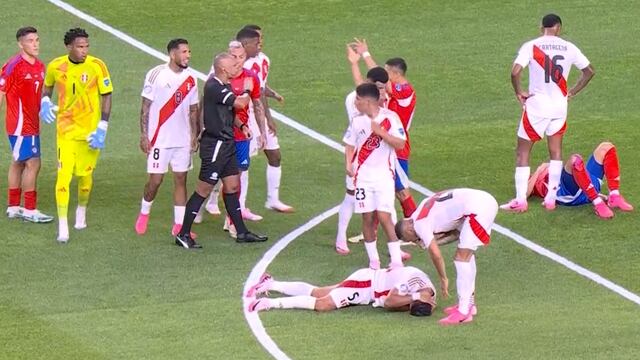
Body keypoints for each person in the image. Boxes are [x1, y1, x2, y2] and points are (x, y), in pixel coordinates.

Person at [501, 13, 595, 212]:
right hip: (559, 106)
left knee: (523, 152)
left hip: (537, 106)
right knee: (556, 151)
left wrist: (518, 92)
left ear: (541, 27)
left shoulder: (531, 46)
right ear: (559, 28)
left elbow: (515, 71)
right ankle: (551, 199)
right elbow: (589, 71)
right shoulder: (570, 47)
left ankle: (520, 200)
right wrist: (572, 92)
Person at [174, 53, 267, 249]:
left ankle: (241, 232)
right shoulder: (214, 86)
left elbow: (230, 112)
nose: (237, 66)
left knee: (232, 186)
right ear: (223, 69)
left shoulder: (224, 86)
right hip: (215, 145)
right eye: (233, 64)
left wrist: (242, 126)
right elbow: (240, 103)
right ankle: (183, 234)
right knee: (203, 190)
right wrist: (248, 90)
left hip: (227, 143)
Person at [41, 28, 113, 243]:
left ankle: (81, 209)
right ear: (69, 47)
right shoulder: (55, 66)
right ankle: (63, 225)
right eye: (80, 46)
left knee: (85, 177)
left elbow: (107, 95)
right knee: (63, 176)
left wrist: (102, 126)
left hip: (90, 133)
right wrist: (45, 102)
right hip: (65, 131)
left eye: (86, 46)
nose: (84, 50)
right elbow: (47, 89)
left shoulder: (97, 66)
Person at [395, 188, 498, 325]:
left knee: (461, 258)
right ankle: (469, 305)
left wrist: (443, 278)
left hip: (478, 209)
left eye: (411, 239)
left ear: (408, 229)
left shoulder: (419, 225)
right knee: (466, 254)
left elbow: (436, 254)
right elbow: (453, 233)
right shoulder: (421, 209)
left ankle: (462, 311)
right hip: (480, 201)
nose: (414, 241)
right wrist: (430, 242)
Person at [134, 39, 199, 237]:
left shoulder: (191, 78)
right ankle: (144, 212)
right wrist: (144, 135)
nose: (188, 55)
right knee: (155, 181)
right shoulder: (156, 75)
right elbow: (145, 106)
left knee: (181, 178)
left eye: (189, 51)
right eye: (184, 52)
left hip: (182, 139)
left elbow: (194, 109)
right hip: (159, 139)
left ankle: (179, 225)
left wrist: (194, 135)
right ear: (173, 54)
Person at [351, 39, 418, 219]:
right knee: (393, 190)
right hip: (385, 145)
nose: (384, 75)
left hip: (398, 146)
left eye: (387, 71)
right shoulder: (390, 95)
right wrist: (354, 63)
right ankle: (399, 226)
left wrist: (366, 55)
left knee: (402, 191)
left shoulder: (405, 90)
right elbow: (364, 87)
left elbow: (381, 79)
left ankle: (415, 228)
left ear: (395, 73)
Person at [343, 83, 406, 269]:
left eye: (358, 99)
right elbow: (349, 143)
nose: (355, 102)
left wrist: (382, 133)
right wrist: (348, 163)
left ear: (368, 101)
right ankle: (374, 261)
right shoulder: (356, 121)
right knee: (367, 218)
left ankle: (396, 260)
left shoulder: (390, 118)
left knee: (385, 217)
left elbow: (401, 144)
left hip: (384, 178)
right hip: (362, 178)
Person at [335, 44, 390, 254]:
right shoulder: (355, 99)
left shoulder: (379, 96)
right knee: (351, 195)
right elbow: (362, 87)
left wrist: (362, 58)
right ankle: (341, 238)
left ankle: (391, 245)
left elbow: (373, 79)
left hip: (380, 156)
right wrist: (354, 64)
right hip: (361, 153)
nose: (383, 90)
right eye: (379, 87)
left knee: (384, 200)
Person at [0, 26, 53, 223]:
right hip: (20, 125)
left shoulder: (40, 66)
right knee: (34, 163)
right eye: (31, 41)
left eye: (37, 40)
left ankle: (13, 207)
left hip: (32, 124)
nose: (35, 44)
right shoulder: (13, 65)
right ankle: (30, 209)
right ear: (20, 44)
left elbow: (39, 95)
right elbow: (1, 92)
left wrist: (46, 106)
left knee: (18, 163)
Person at [242, 24, 293, 213]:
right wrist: (268, 118)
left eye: (261, 39)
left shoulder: (263, 60)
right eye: (257, 40)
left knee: (274, 154)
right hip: (248, 116)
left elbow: (262, 86)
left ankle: (273, 199)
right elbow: (258, 93)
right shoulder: (243, 63)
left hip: (259, 112)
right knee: (240, 163)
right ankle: (220, 202)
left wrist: (274, 94)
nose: (261, 43)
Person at [247, 266, 436, 316]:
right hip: (366, 284)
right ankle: (271, 303)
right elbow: (389, 302)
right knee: (323, 305)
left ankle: (271, 284)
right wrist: (413, 297)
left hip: (368, 287)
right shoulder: (412, 280)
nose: (409, 304)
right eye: (412, 303)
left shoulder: (428, 297)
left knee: (318, 292)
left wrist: (414, 300)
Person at [527, 142, 633, 218]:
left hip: (583, 182)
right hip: (567, 191)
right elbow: (525, 193)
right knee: (575, 160)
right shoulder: (533, 181)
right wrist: (538, 170)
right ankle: (598, 204)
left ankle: (614, 196)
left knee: (606, 147)